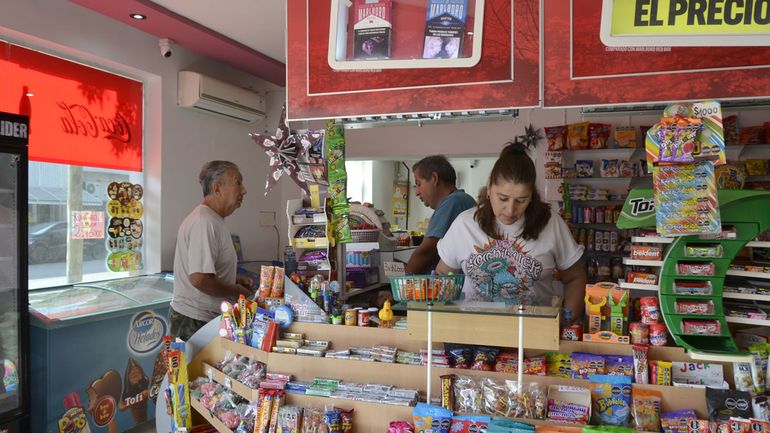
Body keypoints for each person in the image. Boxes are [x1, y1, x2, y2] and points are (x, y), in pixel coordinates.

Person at [436, 142, 586, 321]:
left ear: (532, 197)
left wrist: (566, 323)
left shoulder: (551, 223)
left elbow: (575, 278)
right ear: (489, 188)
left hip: (535, 334)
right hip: (474, 333)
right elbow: (443, 275)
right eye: (503, 198)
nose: (510, 210)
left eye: (521, 200)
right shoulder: (465, 224)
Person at [170, 160, 255, 340]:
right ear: (217, 188)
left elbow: (207, 269)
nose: (244, 190)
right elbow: (199, 278)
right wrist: (234, 291)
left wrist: (233, 278)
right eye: (238, 183)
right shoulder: (204, 222)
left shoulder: (214, 220)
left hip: (203, 319)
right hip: (194, 322)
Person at [406, 155, 476, 274]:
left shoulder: (453, 202)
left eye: (419, 184)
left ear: (434, 178)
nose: (417, 192)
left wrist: (402, 284)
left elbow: (427, 251)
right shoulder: (463, 199)